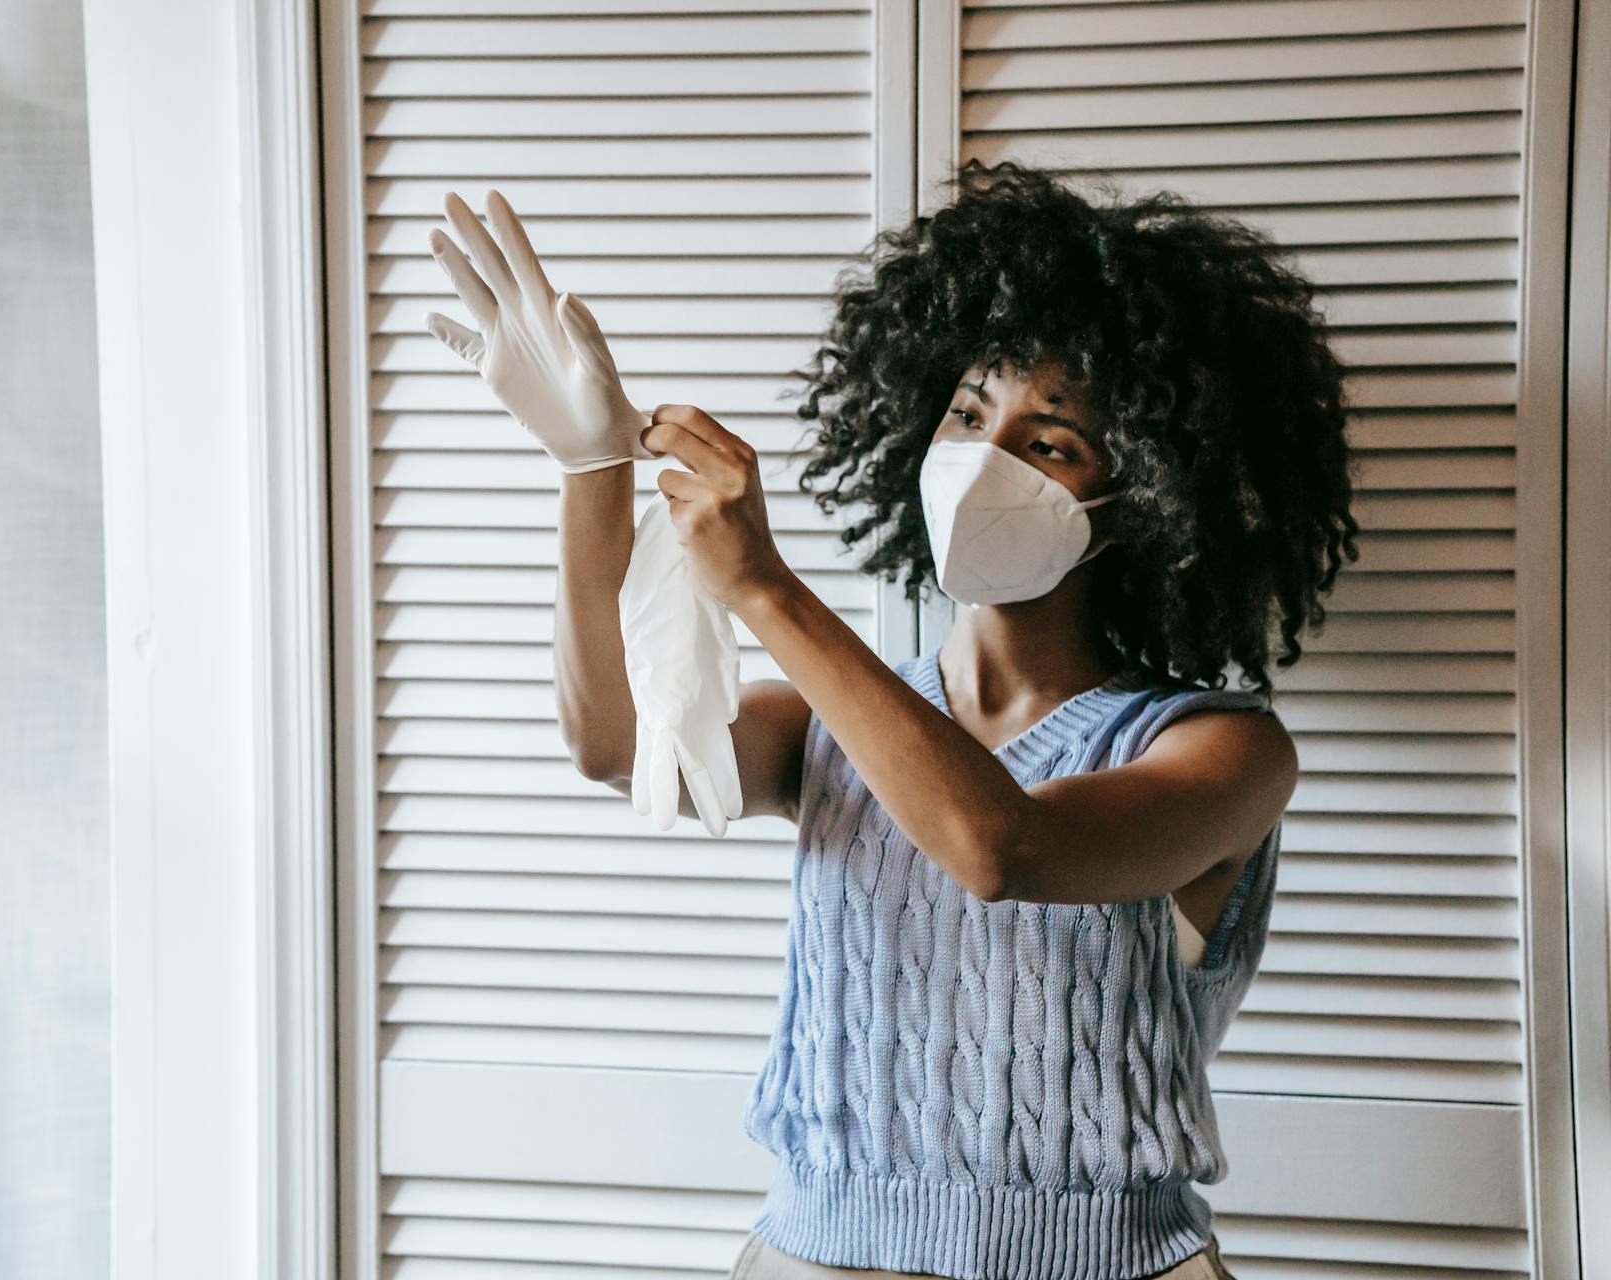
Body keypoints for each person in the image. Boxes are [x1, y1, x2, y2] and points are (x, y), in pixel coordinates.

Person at [428, 157, 1359, 1280]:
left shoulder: (1224, 748)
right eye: (968, 413)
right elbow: (616, 744)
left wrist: (766, 586)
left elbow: (1003, 845)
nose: (983, 458)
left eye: (1048, 440)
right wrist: (590, 470)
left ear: (1143, 500)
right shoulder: (830, 725)